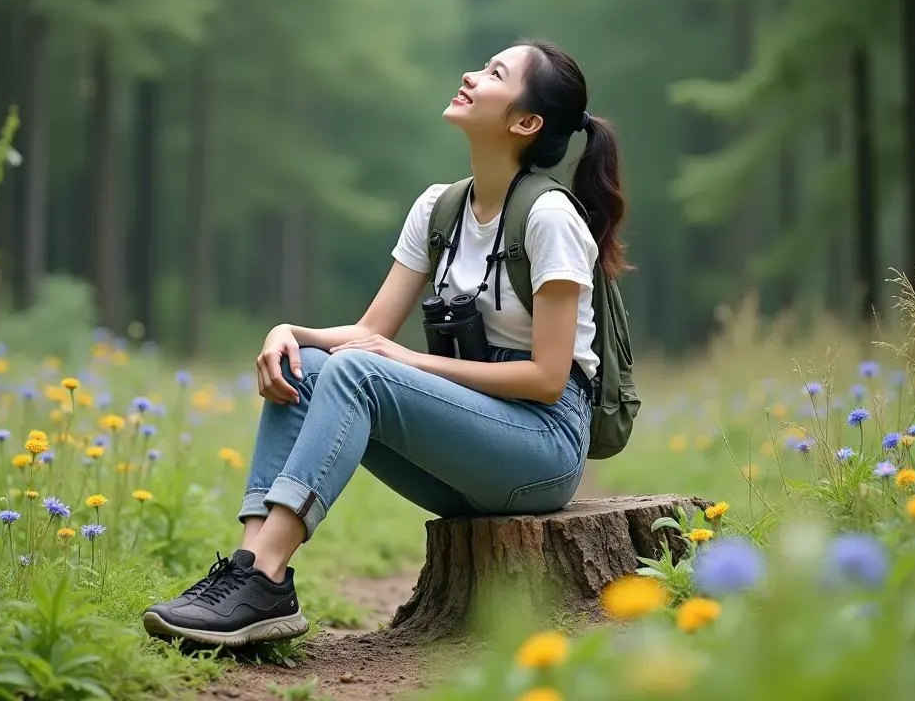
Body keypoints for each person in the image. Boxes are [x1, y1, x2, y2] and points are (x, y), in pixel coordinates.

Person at [142, 39, 629, 647]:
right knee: (312, 367)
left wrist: (406, 359)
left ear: (525, 122)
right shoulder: (439, 209)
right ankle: (246, 575)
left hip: (543, 447)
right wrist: (288, 333)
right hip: (470, 441)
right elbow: (370, 332)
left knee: (357, 372)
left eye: (495, 73)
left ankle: (266, 576)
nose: (471, 74)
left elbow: (548, 379)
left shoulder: (550, 217)